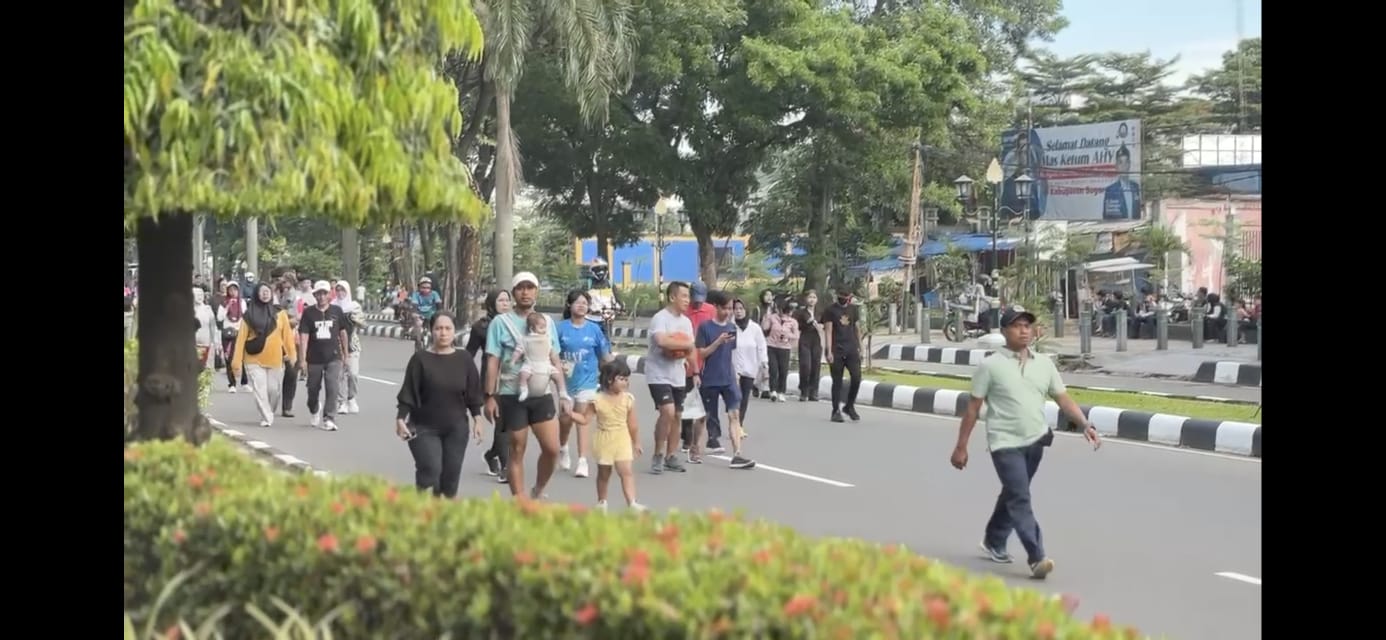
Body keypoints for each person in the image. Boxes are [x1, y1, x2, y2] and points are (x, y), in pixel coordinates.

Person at [951, 306, 1102, 580]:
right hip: (1004, 442)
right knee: (1020, 497)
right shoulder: (990, 365)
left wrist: (1085, 424)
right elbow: (973, 408)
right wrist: (961, 446)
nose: (1024, 331)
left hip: (1035, 440)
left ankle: (994, 540)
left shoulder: (1044, 364)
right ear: (1004, 331)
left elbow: (1062, 398)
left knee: (1013, 492)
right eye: (1017, 325)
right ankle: (1037, 557)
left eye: (1027, 326)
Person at [484, 272, 572, 499]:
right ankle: (519, 500)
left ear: (536, 292)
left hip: (541, 393)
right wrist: (489, 396)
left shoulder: (547, 322)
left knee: (552, 449)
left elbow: (554, 359)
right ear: (514, 293)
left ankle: (538, 490)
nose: (525, 292)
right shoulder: (500, 323)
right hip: (511, 394)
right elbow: (492, 360)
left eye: (530, 287)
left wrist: (563, 394)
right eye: (521, 288)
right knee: (517, 448)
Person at [395, 311, 486, 498]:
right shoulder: (420, 359)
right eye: (438, 328)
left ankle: (443, 517)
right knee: (430, 471)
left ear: (454, 332)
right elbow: (409, 391)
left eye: (447, 328)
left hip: (456, 428)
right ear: (431, 331)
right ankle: (424, 511)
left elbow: (473, 393)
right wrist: (400, 418)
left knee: (450, 479)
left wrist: (477, 418)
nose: (443, 333)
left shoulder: (464, 360)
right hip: (423, 427)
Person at [694, 290, 756, 469]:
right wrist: (717, 342)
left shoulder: (731, 328)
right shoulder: (705, 327)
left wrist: (735, 373)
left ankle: (737, 454)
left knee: (734, 414)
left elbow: (731, 354)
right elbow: (701, 353)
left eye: (731, 308)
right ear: (716, 307)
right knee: (704, 417)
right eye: (725, 308)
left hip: (728, 378)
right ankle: (694, 447)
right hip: (710, 379)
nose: (729, 312)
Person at [557, 290, 614, 479]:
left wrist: (612, 373)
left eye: (585, 303)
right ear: (569, 305)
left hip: (588, 381)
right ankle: (563, 446)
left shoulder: (594, 329)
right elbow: (553, 355)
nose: (581, 306)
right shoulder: (560, 328)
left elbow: (604, 356)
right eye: (578, 302)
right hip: (566, 382)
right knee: (565, 419)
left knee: (582, 418)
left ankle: (582, 460)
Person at [230, 283, 298, 428]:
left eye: (267, 291)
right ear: (256, 294)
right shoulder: (249, 315)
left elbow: (287, 337)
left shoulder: (280, 314)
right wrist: (236, 363)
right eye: (261, 291)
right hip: (253, 358)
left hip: (275, 359)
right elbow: (241, 339)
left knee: (273, 390)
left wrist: (292, 355)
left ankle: (269, 411)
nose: (265, 294)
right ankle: (267, 416)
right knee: (260, 390)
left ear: (272, 294)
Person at [645, 281, 695, 474]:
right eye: (684, 296)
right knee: (667, 411)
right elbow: (661, 340)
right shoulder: (660, 318)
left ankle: (671, 455)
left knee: (677, 415)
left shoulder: (686, 322)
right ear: (672, 297)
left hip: (678, 375)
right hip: (658, 374)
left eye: (688, 296)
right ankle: (658, 454)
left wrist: (696, 370)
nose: (687, 300)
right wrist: (682, 344)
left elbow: (691, 348)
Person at [586, 360, 647, 512]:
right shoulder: (597, 399)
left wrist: (637, 442)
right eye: (621, 379)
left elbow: (633, 424)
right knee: (604, 473)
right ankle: (602, 502)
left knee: (626, 471)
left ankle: (632, 503)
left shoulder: (628, 399)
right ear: (609, 380)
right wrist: (571, 414)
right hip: (604, 438)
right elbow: (585, 419)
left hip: (622, 438)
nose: (625, 382)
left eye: (626, 379)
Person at [469, 289, 512, 482]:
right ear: (492, 303)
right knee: (502, 424)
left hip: (514, 379)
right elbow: (469, 354)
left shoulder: (516, 324)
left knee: (510, 426)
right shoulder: (482, 327)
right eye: (500, 300)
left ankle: (491, 454)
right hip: (491, 382)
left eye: (507, 300)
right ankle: (506, 467)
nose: (505, 303)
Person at [297, 280, 349, 431]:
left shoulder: (337, 311)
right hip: (314, 358)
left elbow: (343, 333)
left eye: (324, 294)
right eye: (318, 294)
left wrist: (346, 354)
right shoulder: (309, 313)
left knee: (332, 386)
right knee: (313, 389)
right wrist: (302, 359)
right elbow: (304, 336)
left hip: (334, 356)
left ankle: (329, 418)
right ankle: (314, 408)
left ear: (328, 295)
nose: (321, 297)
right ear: (315, 295)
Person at [822, 286, 863, 423]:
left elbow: (857, 328)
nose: (844, 299)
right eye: (842, 296)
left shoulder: (853, 309)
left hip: (851, 348)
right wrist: (828, 351)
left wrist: (861, 347)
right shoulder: (830, 310)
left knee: (856, 377)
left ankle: (849, 406)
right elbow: (828, 330)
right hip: (836, 349)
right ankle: (835, 410)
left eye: (847, 297)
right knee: (837, 381)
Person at [730, 298, 767, 437]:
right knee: (735, 398)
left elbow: (761, 346)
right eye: (736, 309)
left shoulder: (754, 328)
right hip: (733, 369)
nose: (738, 312)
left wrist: (764, 364)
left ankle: (739, 424)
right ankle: (734, 424)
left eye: (741, 308)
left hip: (750, 369)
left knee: (744, 398)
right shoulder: (730, 326)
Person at [514, 312, 565, 403]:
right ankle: (524, 390)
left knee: (558, 376)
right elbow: (519, 350)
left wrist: (556, 361)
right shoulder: (525, 339)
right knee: (523, 374)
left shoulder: (547, 338)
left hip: (545, 364)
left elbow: (552, 352)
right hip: (530, 364)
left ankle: (562, 392)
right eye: (541, 328)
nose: (544, 330)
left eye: (545, 327)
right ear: (532, 328)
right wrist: (514, 359)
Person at [332, 279, 366, 414]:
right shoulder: (332, 306)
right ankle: (341, 402)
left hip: (352, 344)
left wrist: (355, 319)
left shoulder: (354, 306)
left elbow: (363, 324)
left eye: (343, 290)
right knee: (339, 375)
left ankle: (351, 398)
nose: (340, 293)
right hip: (336, 345)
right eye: (338, 290)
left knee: (353, 373)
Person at [763, 298, 799, 402]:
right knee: (773, 369)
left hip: (785, 347)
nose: (781, 313)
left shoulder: (793, 321)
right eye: (779, 310)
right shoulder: (772, 318)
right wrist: (767, 316)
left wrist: (788, 335)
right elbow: (765, 328)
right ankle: (773, 390)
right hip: (772, 346)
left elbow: (796, 335)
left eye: (783, 310)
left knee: (783, 370)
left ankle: (781, 391)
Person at [792, 290, 824, 401]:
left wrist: (820, 325)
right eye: (810, 297)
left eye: (814, 297)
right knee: (806, 366)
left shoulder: (820, 312)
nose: (812, 299)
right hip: (805, 339)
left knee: (816, 366)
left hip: (816, 340)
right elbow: (795, 326)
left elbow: (825, 325)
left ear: (817, 299)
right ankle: (804, 390)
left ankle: (813, 391)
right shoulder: (800, 313)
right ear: (806, 299)